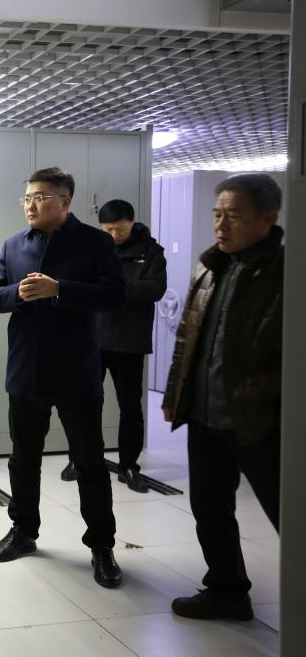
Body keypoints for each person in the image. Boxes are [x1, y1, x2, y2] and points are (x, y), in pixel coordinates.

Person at [0, 167, 126, 589]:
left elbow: (116, 296)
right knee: (23, 457)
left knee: (89, 462)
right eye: (26, 198)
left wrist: (60, 289)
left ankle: (101, 545)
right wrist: (17, 293)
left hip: (76, 371)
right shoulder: (13, 245)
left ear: (64, 202)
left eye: (40, 197)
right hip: (26, 370)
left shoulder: (95, 243)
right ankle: (23, 530)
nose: (30, 205)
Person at [163, 173, 283, 621]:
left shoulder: (285, 274)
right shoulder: (209, 267)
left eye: (233, 215)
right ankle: (227, 590)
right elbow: (187, 338)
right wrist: (176, 395)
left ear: (268, 219)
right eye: (217, 214)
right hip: (205, 416)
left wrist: (255, 393)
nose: (220, 224)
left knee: (286, 512)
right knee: (210, 508)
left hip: (259, 419)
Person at [60, 200, 166, 492]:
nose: (114, 235)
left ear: (132, 222)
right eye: (108, 230)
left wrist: (111, 288)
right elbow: (77, 286)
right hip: (91, 339)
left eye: (120, 229)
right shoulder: (93, 247)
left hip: (130, 341)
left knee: (131, 407)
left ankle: (129, 465)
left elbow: (155, 289)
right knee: (84, 404)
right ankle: (79, 459)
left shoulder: (150, 251)